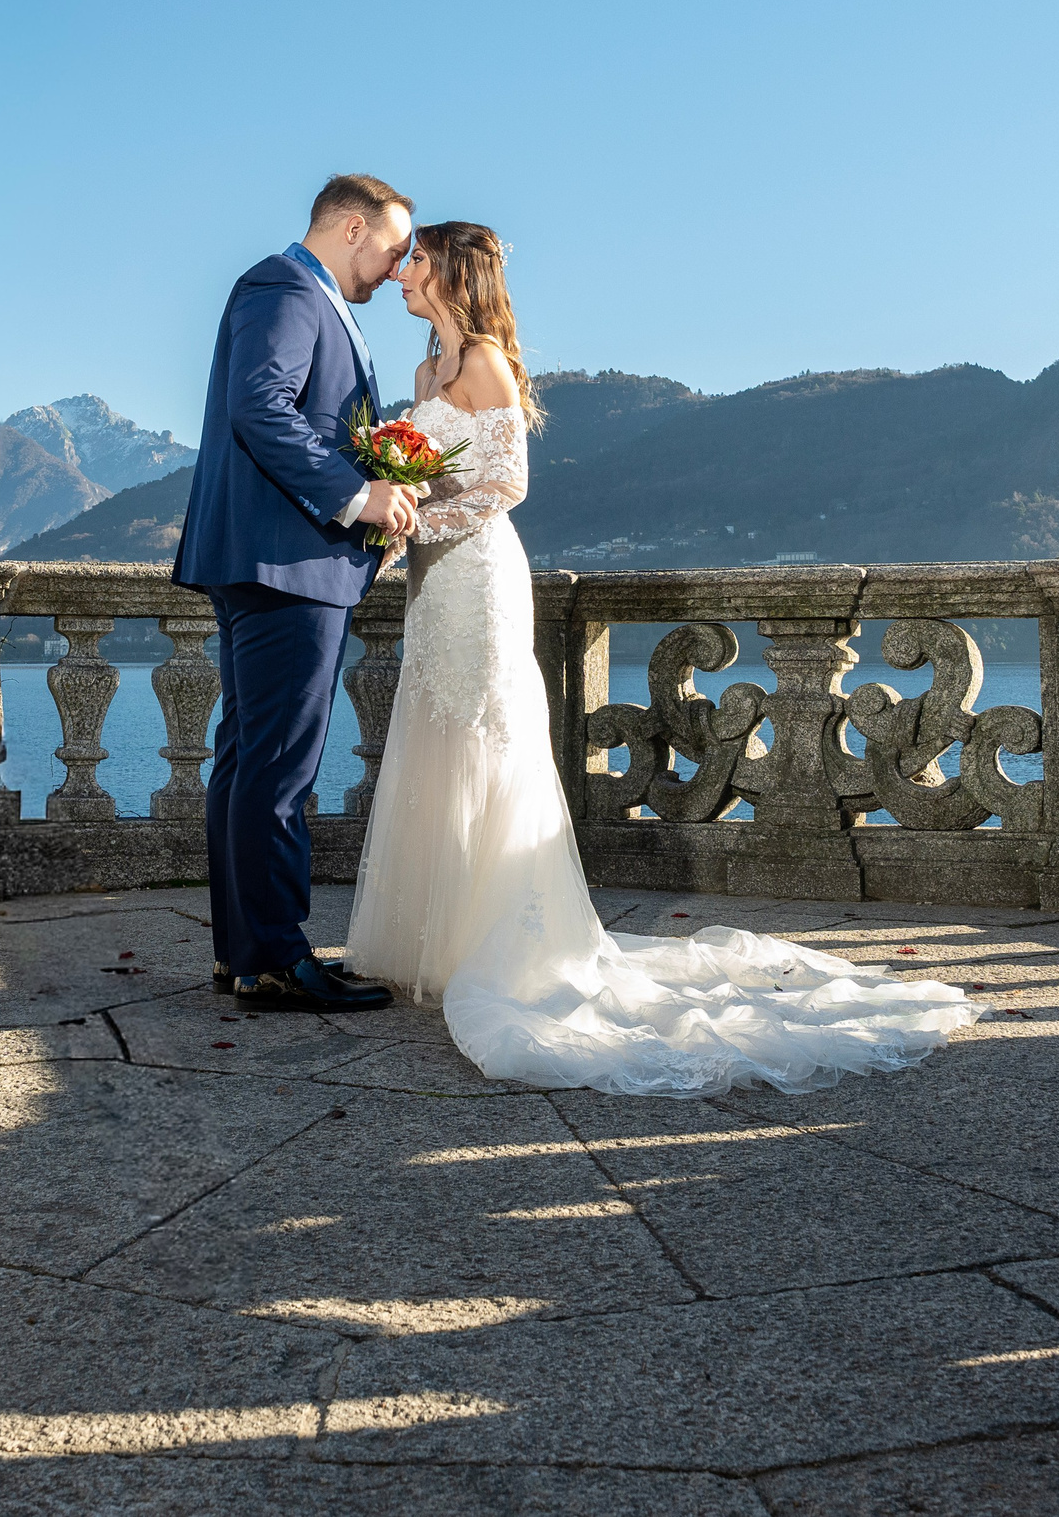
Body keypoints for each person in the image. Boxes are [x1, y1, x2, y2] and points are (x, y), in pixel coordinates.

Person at [342, 221, 986, 1094]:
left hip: (481, 578)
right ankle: (438, 936)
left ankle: (505, 940)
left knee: (489, 740)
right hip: (432, 587)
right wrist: (396, 523)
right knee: (435, 733)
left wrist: (422, 517)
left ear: (455, 273)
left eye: (418, 260)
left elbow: (506, 486)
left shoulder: (486, 362)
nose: (404, 272)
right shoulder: (423, 375)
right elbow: (427, 476)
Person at [172, 176, 419, 1014]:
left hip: (269, 559)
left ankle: (244, 952)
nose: (395, 270)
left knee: (247, 758)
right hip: (287, 562)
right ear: (352, 228)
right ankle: (277, 957)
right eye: (391, 250)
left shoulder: (299, 294)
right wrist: (359, 497)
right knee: (277, 768)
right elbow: (260, 408)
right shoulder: (285, 287)